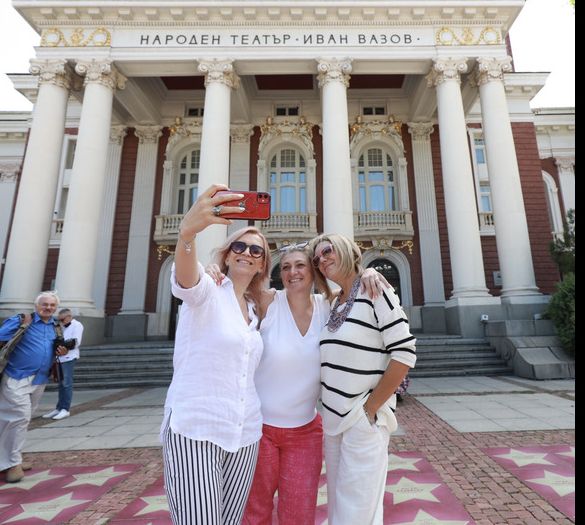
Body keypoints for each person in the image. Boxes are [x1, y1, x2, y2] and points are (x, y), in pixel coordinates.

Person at [205, 243, 389, 525]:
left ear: (313, 270)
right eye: (286, 266)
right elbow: (228, 293)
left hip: (305, 433)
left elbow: (353, 288)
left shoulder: (329, 306)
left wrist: (368, 272)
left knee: (299, 515)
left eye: (300, 265)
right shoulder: (267, 301)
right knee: (254, 513)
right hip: (258, 430)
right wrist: (214, 273)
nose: (292, 272)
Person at [160, 184, 269, 525]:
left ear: (263, 265)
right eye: (240, 245)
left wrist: (360, 275)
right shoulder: (207, 290)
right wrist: (188, 234)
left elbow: (307, 296)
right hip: (196, 427)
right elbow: (186, 279)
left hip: (245, 433)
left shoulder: (255, 309)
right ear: (227, 253)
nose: (247, 252)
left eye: (256, 250)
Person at [309, 233, 417, 525]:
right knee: (338, 508)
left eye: (327, 251)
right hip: (332, 423)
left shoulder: (375, 289)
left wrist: (370, 410)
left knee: (355, 511)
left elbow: (405, 352)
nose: (321, 260)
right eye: (317, 258)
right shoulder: (335, 303)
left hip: (361, 419)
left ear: (345, 249)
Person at [0, 291, 69, 483]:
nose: (49, 308)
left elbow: (52, 349)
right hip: (16, 377)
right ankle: (12, 463)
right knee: (19, 418)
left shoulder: (55, 325)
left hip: (39, 379)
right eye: (45, 304)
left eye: (52, 305)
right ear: (36, 305)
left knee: (17, 420)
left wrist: (61, 351)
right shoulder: (21, 320)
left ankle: (8, 460)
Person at [42, 308, 83, 420]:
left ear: (69, 316)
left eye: (62, 320)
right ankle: (59, 408)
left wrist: (62, 345)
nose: (60, 322)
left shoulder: (76, 325)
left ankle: (65, 409)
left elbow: (76, 342)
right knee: (61, 383)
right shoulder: (61, 326)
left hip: (69, 357)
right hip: (60, 357)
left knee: (66, 383)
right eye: (59, 320)